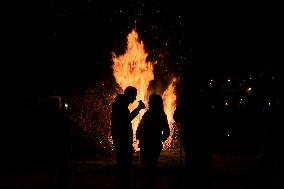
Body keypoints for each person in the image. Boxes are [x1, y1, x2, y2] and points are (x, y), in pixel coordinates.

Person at [174, 81, 213, 189]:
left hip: (190, 135)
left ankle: (192, 181)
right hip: (201, 136)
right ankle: (200, 181)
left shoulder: (184, 104)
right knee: (201, 160)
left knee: (191, 160)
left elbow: (176, 118)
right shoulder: (203, 103)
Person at [111, 86, 145, 189]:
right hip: (122, 140)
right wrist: (138, 108)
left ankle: (122, 183)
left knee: (123, 164)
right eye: (134, 96)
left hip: (121, 139)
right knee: (124, 165)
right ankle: (123, 184)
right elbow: (126, 119)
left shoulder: (120, 104)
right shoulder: (120, 105)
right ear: (129, 95)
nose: (134, 98)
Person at [136, 94, 170, 189]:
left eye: (150, 101)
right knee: (146, 167)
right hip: (145, 144)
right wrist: (139, 134)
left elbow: (167, 131)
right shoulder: (148, 113)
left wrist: (158, 140)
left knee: (150, 167)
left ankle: (149, 184)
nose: (149, 103)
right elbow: (141, 125)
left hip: (153, 146)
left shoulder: (161, 115)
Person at [43, 95, 76, 189]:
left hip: (52, 145)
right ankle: (62, 185)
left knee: (52, 167)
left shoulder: (47, 116)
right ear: (58, 104)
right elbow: (73, 125)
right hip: (62, 144)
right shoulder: (62, 115)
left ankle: (52, 184)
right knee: (63, 166)